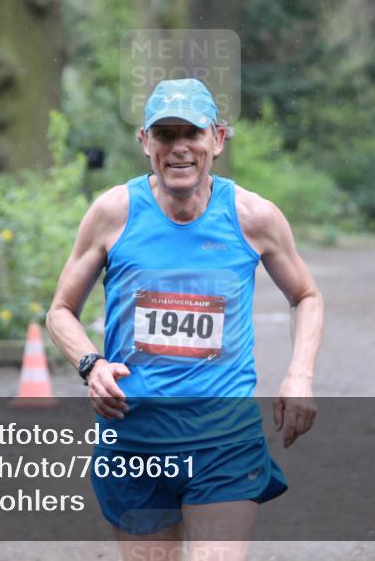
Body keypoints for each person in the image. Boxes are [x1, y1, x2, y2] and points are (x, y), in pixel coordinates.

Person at [47, 78, 324, 560]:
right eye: (165, 134)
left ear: (217, 139)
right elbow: (60, 312)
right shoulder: (113, 212)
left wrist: (300, 374)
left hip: (224, 442)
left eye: (191, 133)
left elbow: (306, 295)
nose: (179, 148)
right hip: (134, 441)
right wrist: (92, 365)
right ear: (144, 142)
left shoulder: (252, 216)